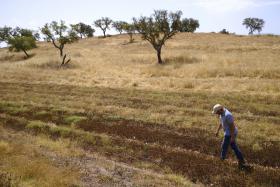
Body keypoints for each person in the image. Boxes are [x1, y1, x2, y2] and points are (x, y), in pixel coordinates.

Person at [212, 104, 246, 169]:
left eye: (217, 112)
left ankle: (222, 159)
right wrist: (217, 131)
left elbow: (232, 127)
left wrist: (232, 137)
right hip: (228, 132)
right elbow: (221, 123)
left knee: (224, 146)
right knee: (234, 147)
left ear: (220, 110)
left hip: (230, 133)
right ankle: (241, 160)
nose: (216, 114)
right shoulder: (221, 114)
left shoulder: (228, 115)